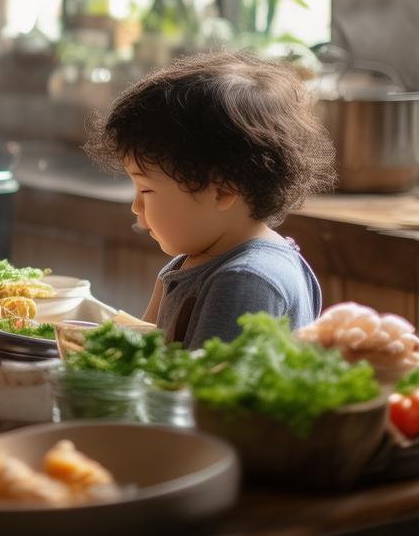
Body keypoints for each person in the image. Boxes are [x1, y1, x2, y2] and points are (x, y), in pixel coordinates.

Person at [83, 51, 336, 348]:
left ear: (223, 190)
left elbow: (206, 392)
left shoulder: (246, 280)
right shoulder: (190, 263)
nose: (136, 206)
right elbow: (142, 355)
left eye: (146, 190)